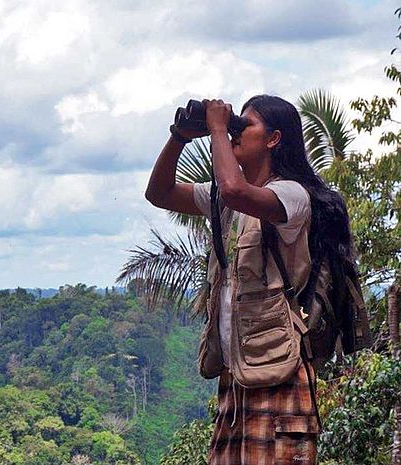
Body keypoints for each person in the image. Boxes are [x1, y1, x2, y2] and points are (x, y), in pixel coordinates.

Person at [145, 95, 355, 465]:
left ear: (273, 139)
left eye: (247, 125)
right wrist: (179, 136)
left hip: (279, 374)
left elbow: (234, 190)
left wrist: (218, 128)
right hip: (237, 378)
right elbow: (158, 194)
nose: (237, 131)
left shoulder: (291, 195)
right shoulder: (225, 200)